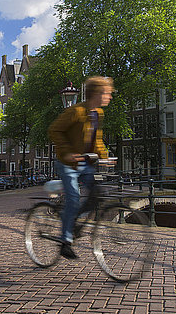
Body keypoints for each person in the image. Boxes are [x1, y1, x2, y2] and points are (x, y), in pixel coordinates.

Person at [48, 76, 114, 259]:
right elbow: (54, 130)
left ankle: (72, 219)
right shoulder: (75, 111)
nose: (109, 96)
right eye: (107, 93)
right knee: (74, 198)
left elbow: (97, 140)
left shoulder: (98, 113)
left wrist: (105, 157)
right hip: (67, 163)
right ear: (97, 93)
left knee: (97, 195)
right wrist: (68, 152)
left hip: (85, 163)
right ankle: (65, 241)